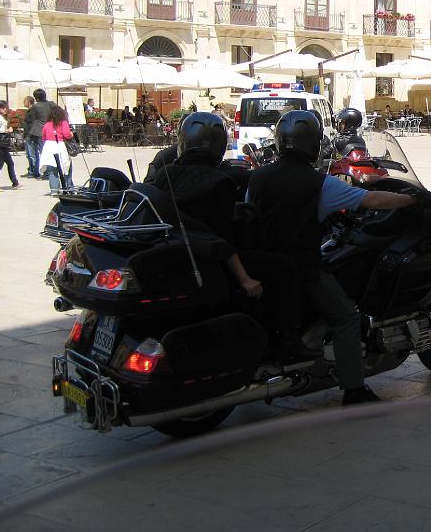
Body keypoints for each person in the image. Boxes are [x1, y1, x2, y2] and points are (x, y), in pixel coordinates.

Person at [247, 110, 416, 405]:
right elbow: (370, 199)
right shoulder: (319, 183)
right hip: (302, 268)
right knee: (347, 317)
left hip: (263, 264)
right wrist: (412, 199)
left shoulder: (257, 178)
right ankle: (354, 389)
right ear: (313, 144)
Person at [153, 112, 318, 363]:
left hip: (180, 252)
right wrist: (245, 278)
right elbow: (220, 238)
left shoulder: (166, 174)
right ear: (220, 144)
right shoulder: (220, 183)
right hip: (212, 259)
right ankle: (288, 341)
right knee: (283, 264)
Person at [40, 105, 74, 191]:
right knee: (66, 168)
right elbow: (67, 135)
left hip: (48, 147)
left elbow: (43, 137)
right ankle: (68, 188)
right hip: (60, 146)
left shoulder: (47, 124)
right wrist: (71, 134)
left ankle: (54, 190)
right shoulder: (63, 123)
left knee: (52, 171)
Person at [23, 90, 53, 179]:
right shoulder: (51, 104)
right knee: (45, 152)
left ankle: (42, 172)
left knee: (38, 153)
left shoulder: (36, 107)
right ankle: (46, 172)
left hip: (38, 132)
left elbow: (30, 119)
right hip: (48, 131)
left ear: (36, 98)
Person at [0, 101, 21, 190]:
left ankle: (15, 182)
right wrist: (7, 130)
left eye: (6, 107)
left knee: (10, 163)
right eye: (3, 108)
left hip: (2, 144)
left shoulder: (1, 117)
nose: (5, 109)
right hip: (1, 144)